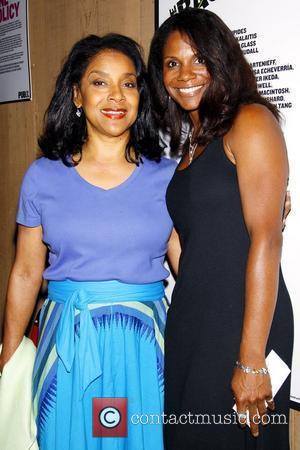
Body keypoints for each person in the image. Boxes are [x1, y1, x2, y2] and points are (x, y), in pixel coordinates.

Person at [0, 34, 179, 450]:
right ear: (77, 94)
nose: (116, 96)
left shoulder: (169, 177)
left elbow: (190, 265)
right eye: (100, 83)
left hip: (144, 346)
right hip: (68, 346)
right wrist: (10, 358)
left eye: (129, 83)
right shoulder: (42, 177)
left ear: (142, 95)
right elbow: (26, 271)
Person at [148, 8, 294, 450]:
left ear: (221, 59)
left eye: (198, 59)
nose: (185, 74)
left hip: (242, 320)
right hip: (194, 316)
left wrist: (251, 359)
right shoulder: (192, 144)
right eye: (172, 63)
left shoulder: (249, 122)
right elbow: (194, 245)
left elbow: (266, 239)